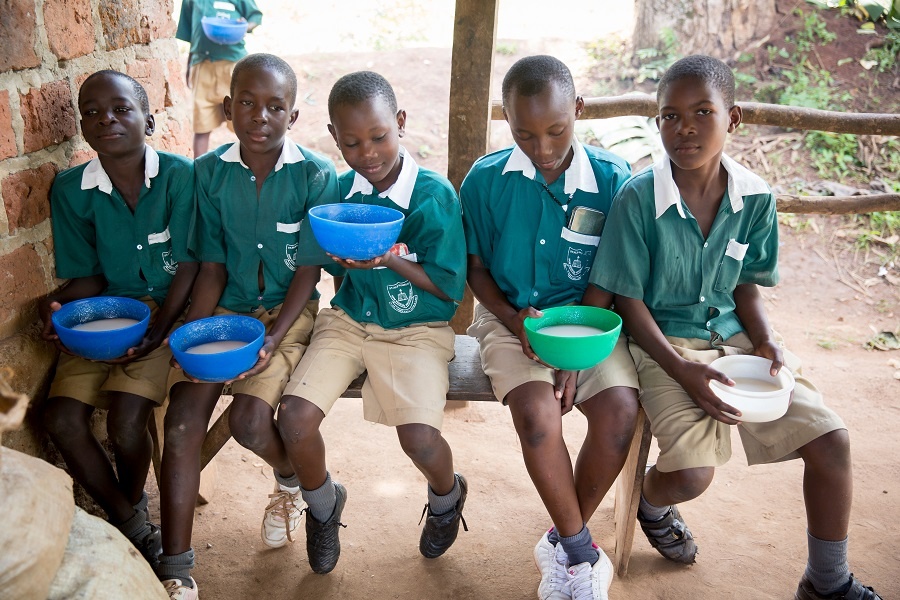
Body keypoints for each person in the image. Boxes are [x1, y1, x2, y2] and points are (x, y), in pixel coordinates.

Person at [589, 55, 883, 600]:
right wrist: (682, 369)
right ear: (657, 124)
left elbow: (745, 281)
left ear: (735, 117)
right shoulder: (637, 198)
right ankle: (652, 500)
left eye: (702, 111)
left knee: (832, 442)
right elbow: (627, 299)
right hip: (665, 346)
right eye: (670, 116)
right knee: (694, 475)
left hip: (738, 343)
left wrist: (767, 339)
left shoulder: (754, 197)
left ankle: (828, 582)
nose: (686, 128)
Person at [156, 53, 338, 600]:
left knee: (252, 420)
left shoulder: (314, 175)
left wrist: (277, 336)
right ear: (227, 107)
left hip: (287, 314)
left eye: (274, 106)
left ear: (294, 115)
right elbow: (211, 266)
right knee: (184, 422)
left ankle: (292, 484)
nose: (259, 116)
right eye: (247, 103)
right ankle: (177, 567)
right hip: (225, 312)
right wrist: (190, 332)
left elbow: (309, 270)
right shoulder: (207, 173)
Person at [460, 55, 640, 600]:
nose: (542, 148)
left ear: (579, 110)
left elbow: (608, 271)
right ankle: (582, 553)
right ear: (506, 121)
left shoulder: (613, 181)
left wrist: (570, 349)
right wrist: (518, 322)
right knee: (538, 416)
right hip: (508, 317)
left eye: (556, 130)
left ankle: (562, 542)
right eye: (524, 133)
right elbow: (476, 269)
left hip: (590, 318)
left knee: (619, 412)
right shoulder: (486, 181)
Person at [275, 70, 468, 575]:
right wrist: (352, 260)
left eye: (379, 136)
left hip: (417, 329)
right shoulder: (339, 193)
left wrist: (390, 259)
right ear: (335, 139)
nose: (368, 153)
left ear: (400, 123)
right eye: (352, 142)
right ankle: (322, 508)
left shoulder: (432, 195)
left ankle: (447, 497)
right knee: (294, 419)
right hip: (350, 320)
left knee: (419, 439)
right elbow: (325, 265)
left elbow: (449, 286)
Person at [39, 71, 198, 569]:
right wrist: (58, 307)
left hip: (168, 313)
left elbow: (191, 267)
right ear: (82, 126)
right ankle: (130, 521)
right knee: (60, 418)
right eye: (91, 111)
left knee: (128, 422)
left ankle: (130, 515)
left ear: (148, 120)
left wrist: (159, 330)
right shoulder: (71, 190)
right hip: (105, 313)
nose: (105, 118)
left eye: (120, 109)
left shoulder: (180, 177)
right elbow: (87, 276)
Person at [175, 0, 262, 158]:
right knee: (201, 127)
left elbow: (255, 17)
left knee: (243, 125)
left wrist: (244, 26)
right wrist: (190, 67)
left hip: (234, 67)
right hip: (202, 65)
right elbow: (191, 34)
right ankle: (198, 173)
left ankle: (249, 170)